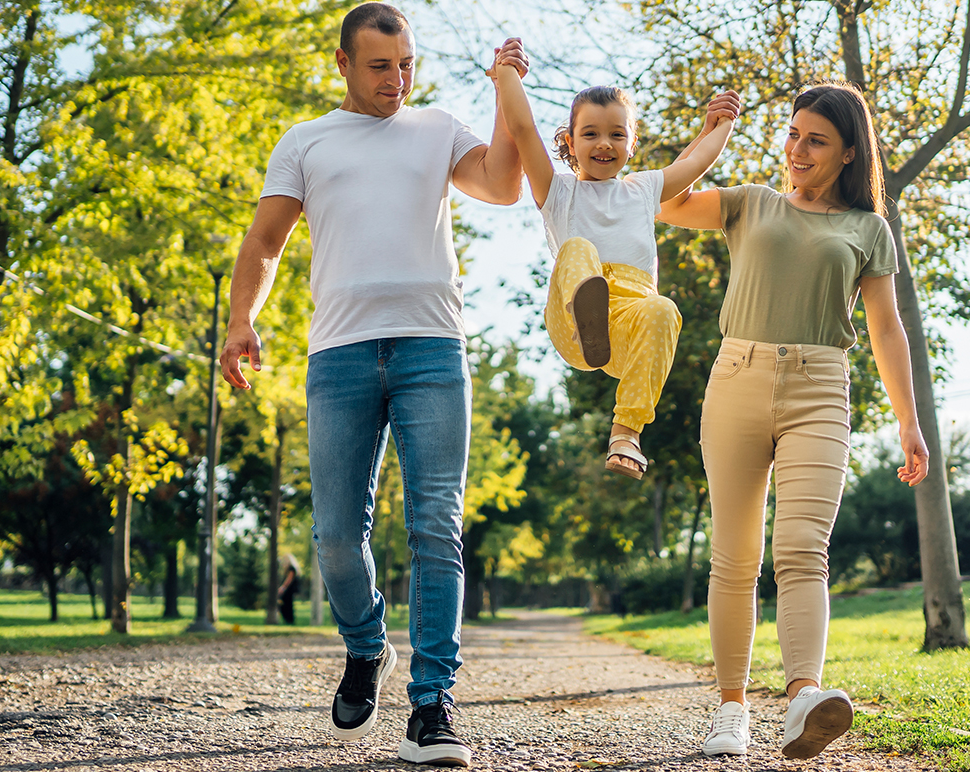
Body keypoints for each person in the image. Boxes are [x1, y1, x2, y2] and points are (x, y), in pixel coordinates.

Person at [219, 3, 526, 766]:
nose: (397, 79)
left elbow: (502, 184)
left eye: (407, 63)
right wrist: (241, 321)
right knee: (333, 539)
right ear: (344, 64)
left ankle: (432, 705)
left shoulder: (438, 127)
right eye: (381, 65)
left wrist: (504, 93)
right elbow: (264, 242)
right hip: (342, 355)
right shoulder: (306, 141)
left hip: (432, 349)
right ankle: (366, 645)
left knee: (434, 527)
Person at [656, 82, 932, 760]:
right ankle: (730, 709)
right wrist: (713, 131)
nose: (798, 149)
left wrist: (909, 421)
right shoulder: (751, 202)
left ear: (846, 154)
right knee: (735, 555)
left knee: (804, 549)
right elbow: (662, 201)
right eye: (793, 133)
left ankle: (804, 695)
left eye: (816, 140)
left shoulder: (868, 230)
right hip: (737, 381)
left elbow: (887, 328)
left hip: (820, 388)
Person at [486, 63, 739, 479]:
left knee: (663, 309)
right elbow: (523, 128)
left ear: (632, 141)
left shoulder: (641, 191)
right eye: (590, 134)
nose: (604, 144)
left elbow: (694, 164)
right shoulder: (558, 190)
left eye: (617, 134)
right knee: (579, 249)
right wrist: (508, 73)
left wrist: (720, 123)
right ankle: (587, 309)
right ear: (569, 141)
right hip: (572, 324)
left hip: (625, 328)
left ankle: (626, 433)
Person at [276, 556, 300, 625]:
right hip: (289, 590)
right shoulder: (288, 569)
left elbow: (289, 580)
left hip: (289, 591)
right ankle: (288, 620)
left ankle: (289, 620)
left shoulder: (291, 569)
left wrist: (282, 588)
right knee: (286, 605)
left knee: (287, 605)